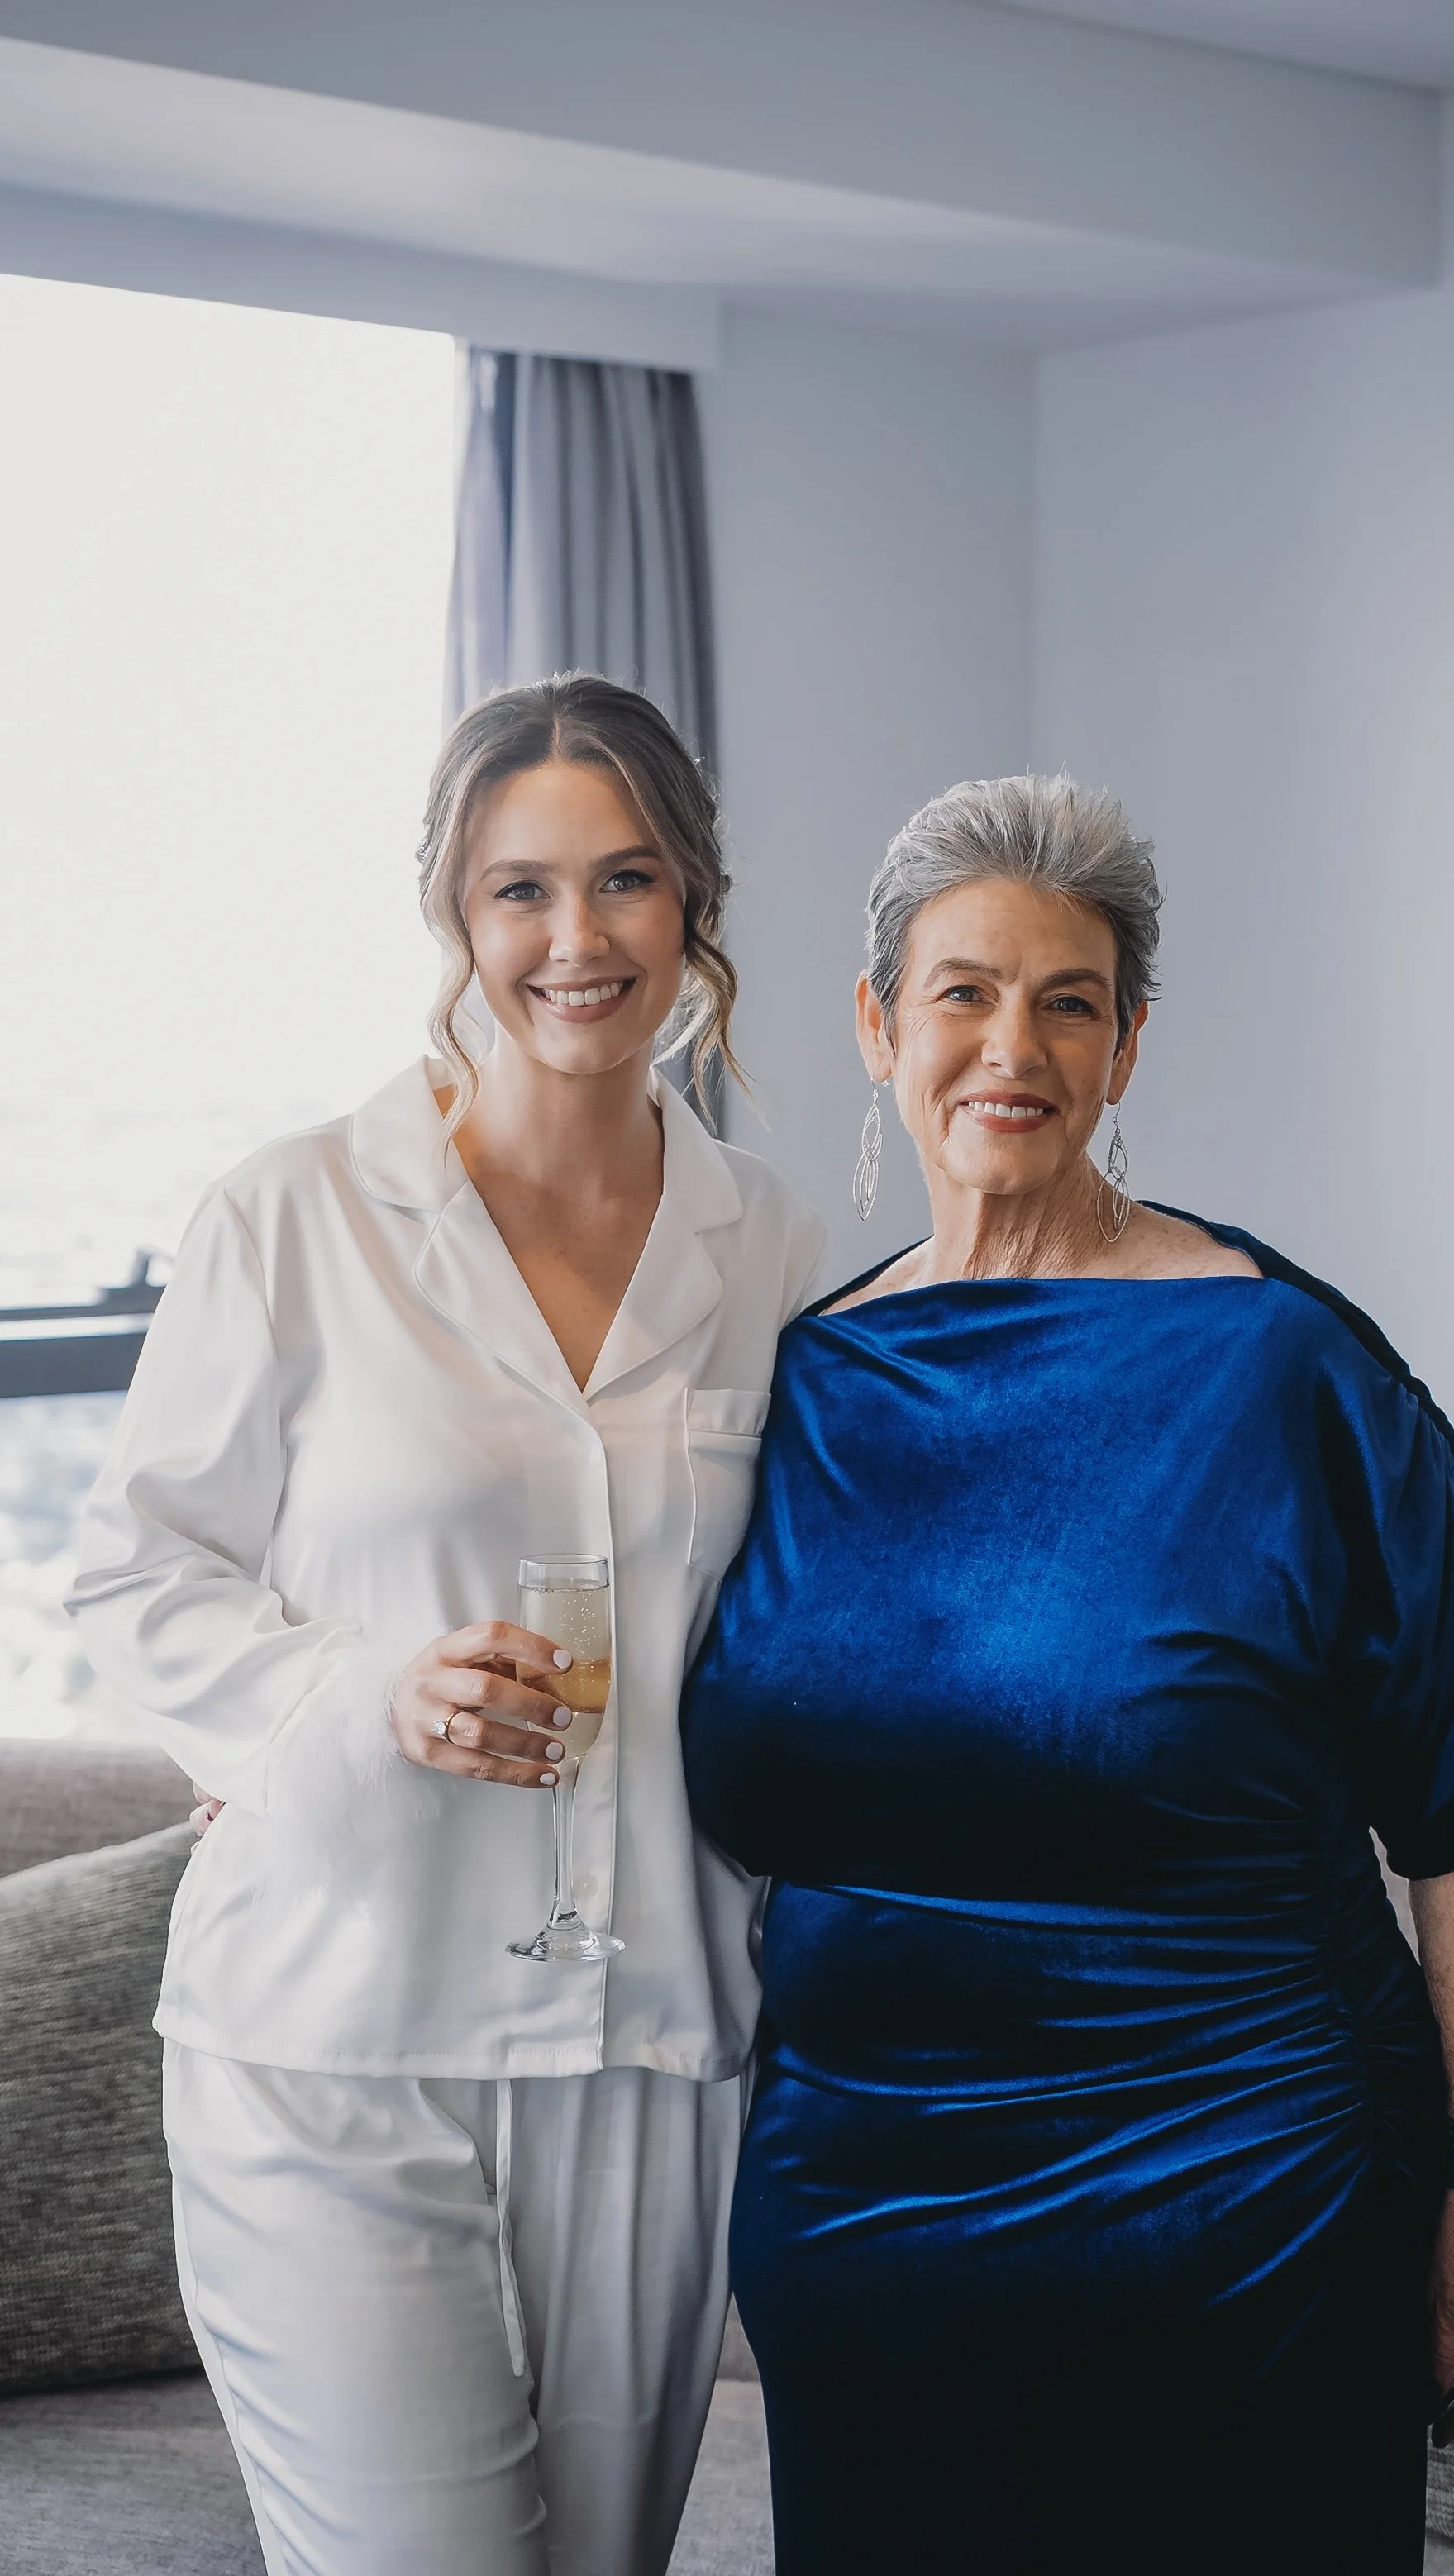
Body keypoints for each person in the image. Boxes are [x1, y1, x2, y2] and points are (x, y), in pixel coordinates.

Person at [680, 773, 1454, 2576]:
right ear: (876, 1025)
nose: (1007, 1045)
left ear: (1126, 1044)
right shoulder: (799, 1384)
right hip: (863, 2216)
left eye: (1066, 999)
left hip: (1240, 2202)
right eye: (959, 991)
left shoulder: (1285, 1368)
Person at [68, 675, 823, 2576]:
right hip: (333, 2038)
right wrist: (363, 1691)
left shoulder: (776, 1250)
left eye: (629, 880)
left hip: (646, 2050)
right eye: (522, 890)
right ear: (454, 916)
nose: (577, 941)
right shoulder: (293, 1216)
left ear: (696, 908)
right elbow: (134, 1577)